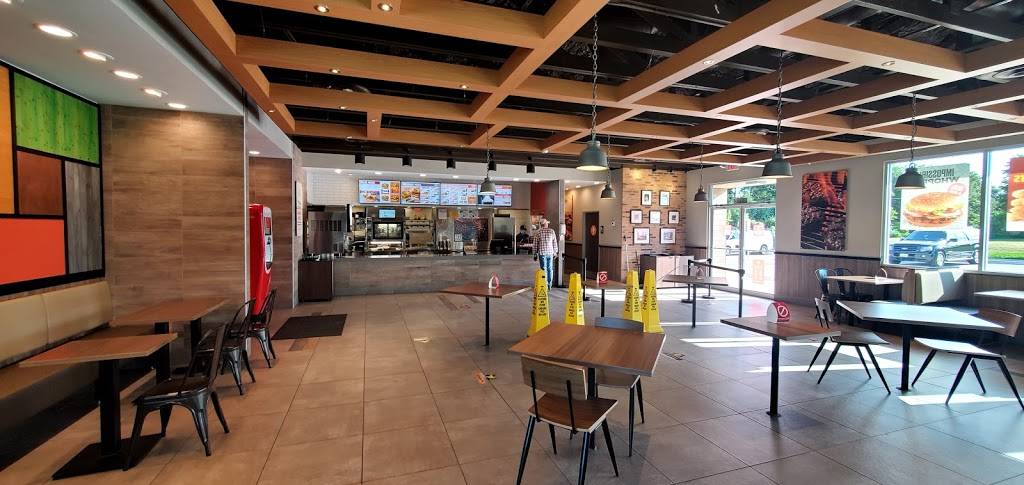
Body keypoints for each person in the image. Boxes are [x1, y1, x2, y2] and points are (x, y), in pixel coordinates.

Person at [532, 219, 558, 288]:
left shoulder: (538, 232)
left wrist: (535, 254)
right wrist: (555, 252)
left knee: (543, 269)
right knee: (550, 269)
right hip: (550, 253)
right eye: (547, 223)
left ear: (541, 225)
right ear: (546, 224)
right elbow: (554, 243)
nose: (548, 224)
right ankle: (549, 284)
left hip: (542, 253)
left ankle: (544, 284)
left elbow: (535, 244)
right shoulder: (551, 231)